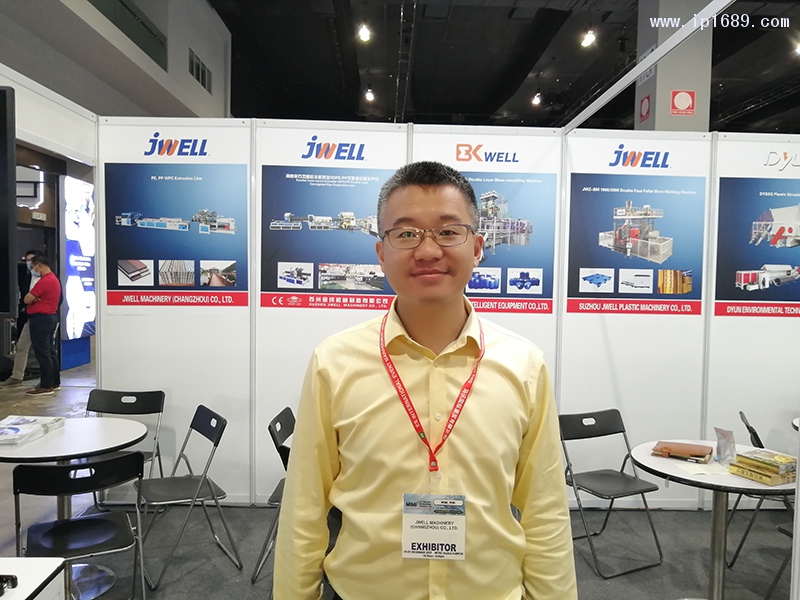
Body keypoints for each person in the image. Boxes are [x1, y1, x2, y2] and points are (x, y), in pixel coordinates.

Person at [274, 161, 576, 600]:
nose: (429, 250)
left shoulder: (524, 365)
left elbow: (545, 509)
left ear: (478, 247)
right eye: (406, 233)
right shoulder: (334, 363)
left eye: (449, 231)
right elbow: (304, 505)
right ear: (381, 253)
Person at [0, 250, 44, 388]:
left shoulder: (48, 279)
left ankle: (48, 378)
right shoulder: (26, 278)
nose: (29, 264)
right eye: (27, 260)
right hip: (28, 316)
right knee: (22, 346)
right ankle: (17, 376)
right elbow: (24, 298)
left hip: (44, 317)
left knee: (44, 349)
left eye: (32, 260)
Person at [23, 255, 62, 396]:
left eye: (33, 267)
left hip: (41, 319)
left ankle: (45, 386)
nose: (33, 270)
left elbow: (27, 299)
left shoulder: (45, 281)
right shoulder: (54, 279)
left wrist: (34, 299)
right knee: (50, 351)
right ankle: (54, 382)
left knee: (42, 353)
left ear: (39, 265)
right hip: (50, 318)